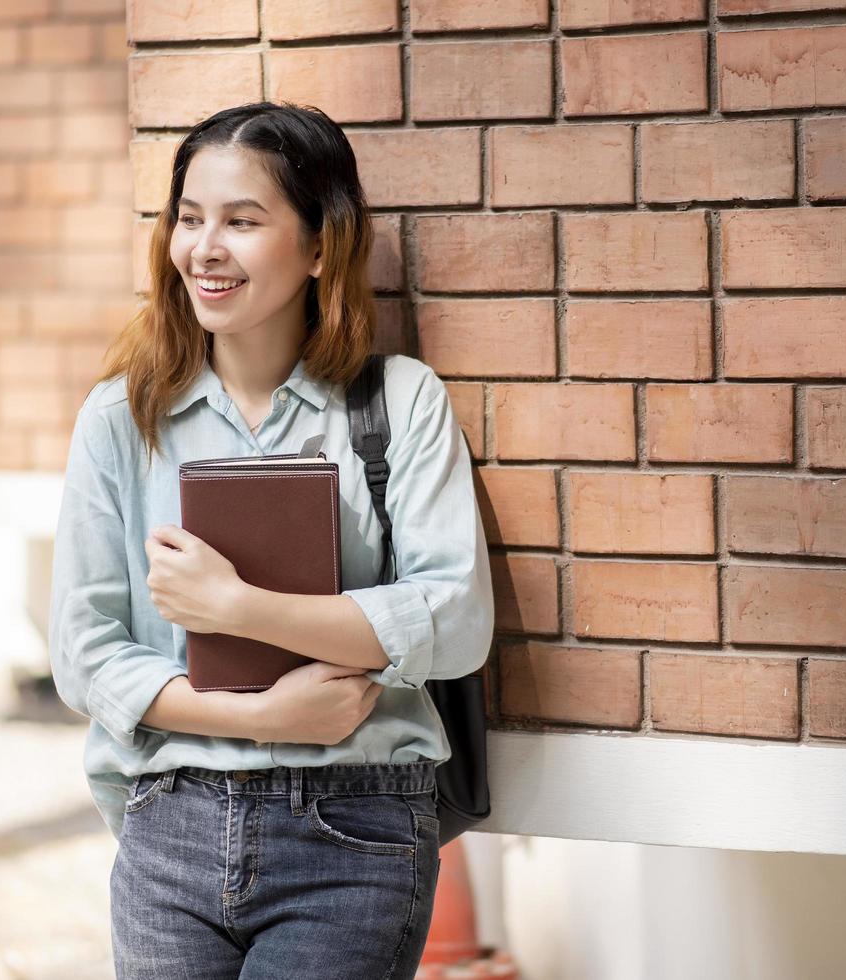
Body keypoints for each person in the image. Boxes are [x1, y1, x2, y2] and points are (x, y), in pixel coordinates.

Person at [47, 101, 495, 979]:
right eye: (190, 218)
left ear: (322, 245)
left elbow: (454, 618)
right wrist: (257, 718)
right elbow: (83, 653)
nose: (205, 248)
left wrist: (240, 609)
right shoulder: (119, 417)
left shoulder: (397, 403)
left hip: (354, 834)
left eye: (243, 222)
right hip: (168, 830)